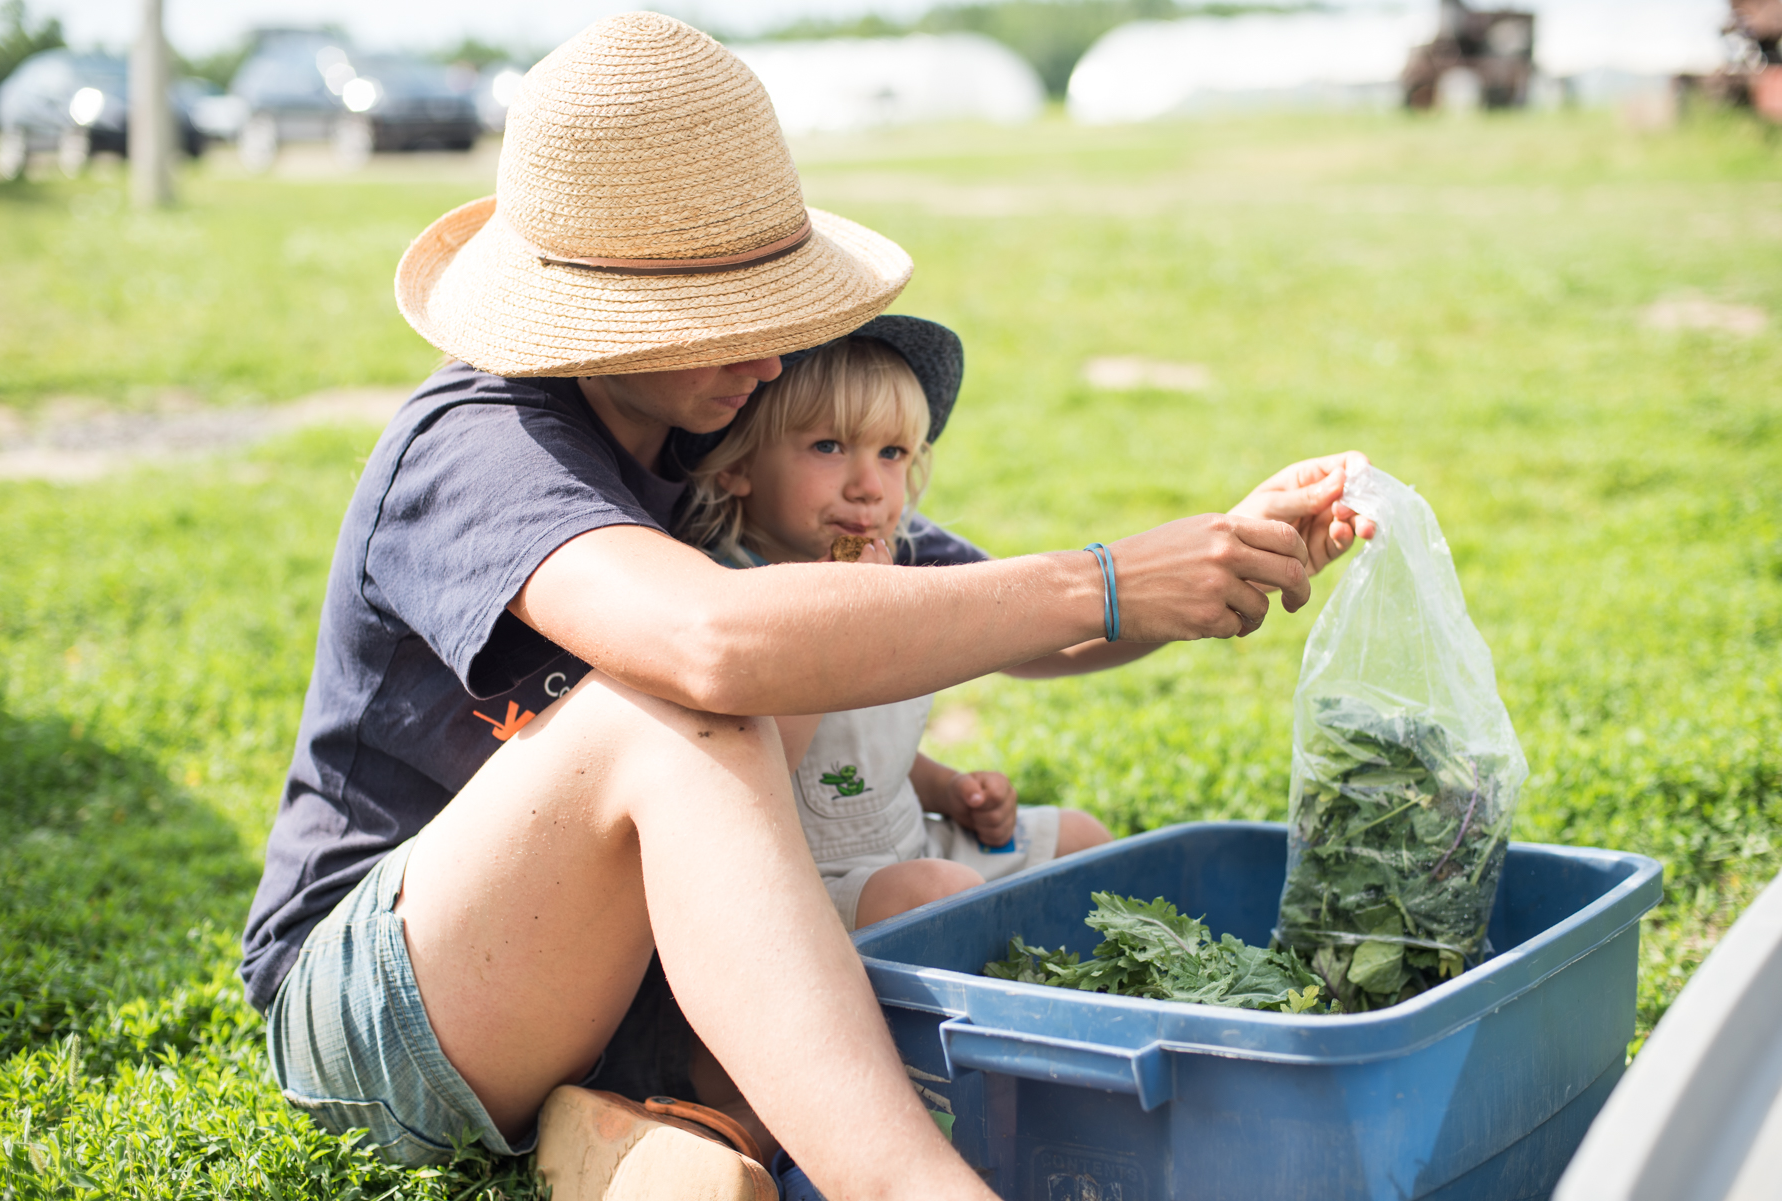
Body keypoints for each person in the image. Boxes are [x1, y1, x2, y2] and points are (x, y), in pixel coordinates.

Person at [240, 13, 1372, 1201]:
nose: (775, 355)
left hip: (595, 983)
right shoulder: (480, 443)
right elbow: (714, 644)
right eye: (733, 310)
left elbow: (940, 606)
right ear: (597, 312)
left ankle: (658, 1126)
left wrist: (1207, 560)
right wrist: (1099, 572)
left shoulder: (709, 431)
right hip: (382, 1008)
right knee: (677, 715)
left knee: (745, 721)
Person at [682, 323, 1114, 932]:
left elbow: (856, 751)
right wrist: (834, 624)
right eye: (828, 447)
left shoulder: (895, 560)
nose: (868, 487)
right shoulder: (724, 592)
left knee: (1082, 838)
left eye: (892, 454)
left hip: (909, 843)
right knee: (941, 894)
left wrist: (944, 789)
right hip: (806, 882)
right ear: (736, 465)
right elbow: (758, 775)